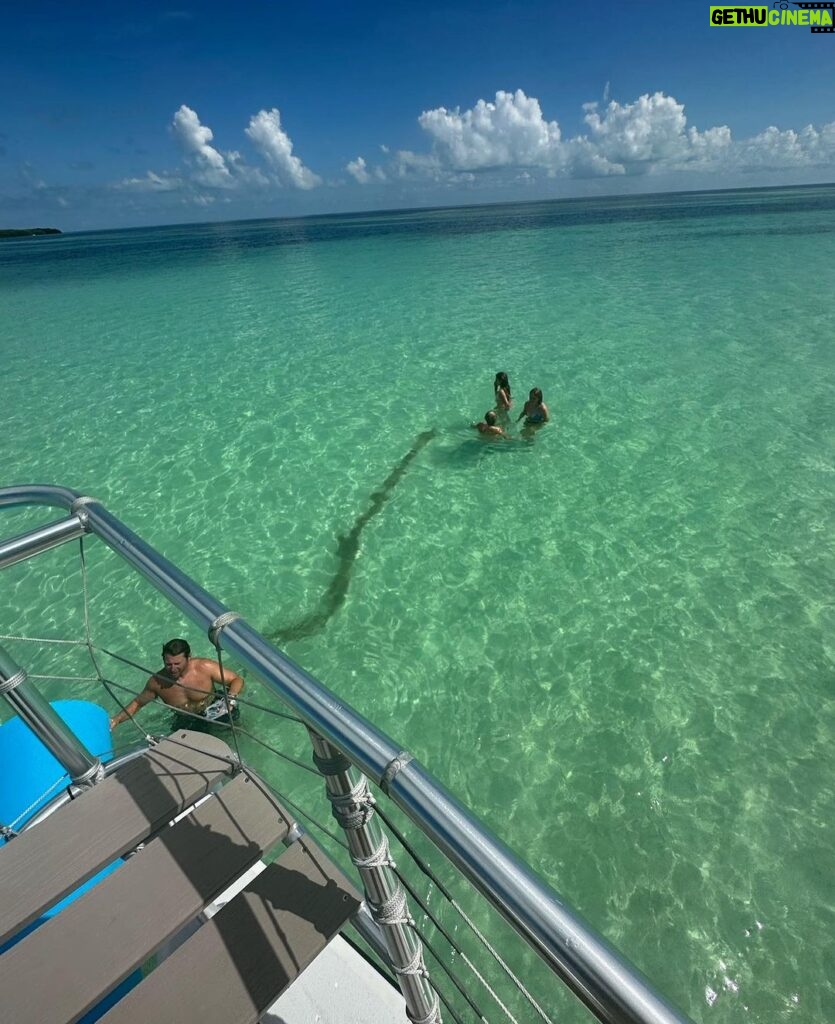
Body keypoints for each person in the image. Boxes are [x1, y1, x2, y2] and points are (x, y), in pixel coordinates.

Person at [110, 638, 244, 729]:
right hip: (186, 720)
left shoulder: (204, 667)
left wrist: (230, 699)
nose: (173, 669)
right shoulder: (157, 682)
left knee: (236, 735)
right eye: (168, 664)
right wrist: (115, 720)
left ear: (189, 657)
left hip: (216, 708)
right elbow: (138, 703)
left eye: (177, 664)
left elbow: (236, 680)